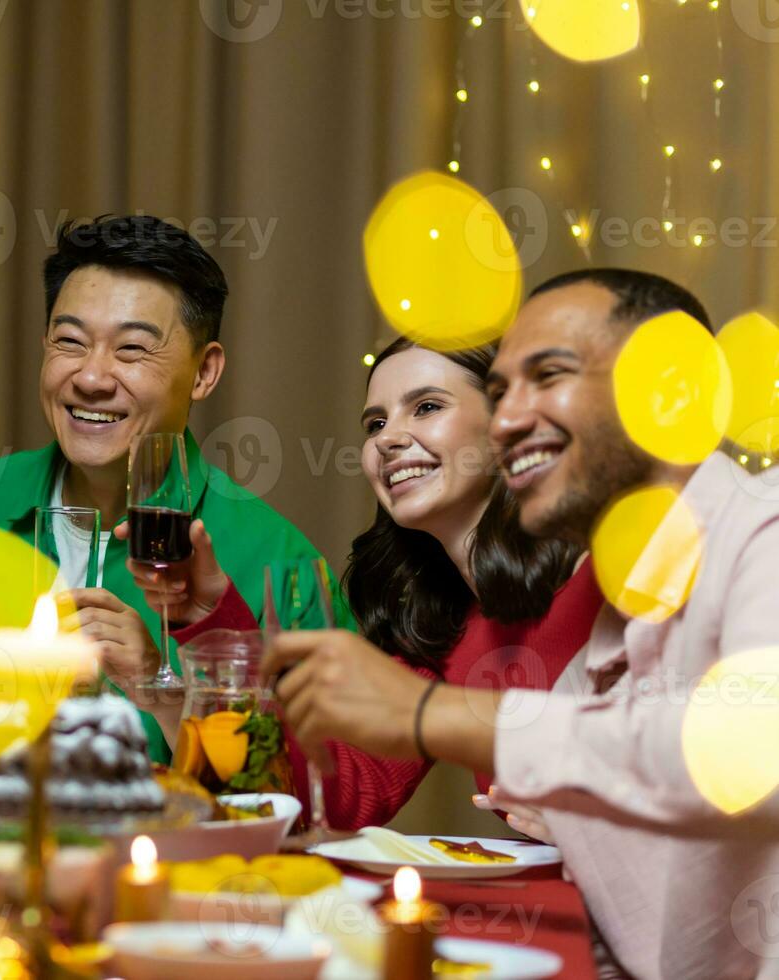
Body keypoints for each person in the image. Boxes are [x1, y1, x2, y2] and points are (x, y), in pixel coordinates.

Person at [265, 268, 779, 977]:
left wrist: (434, 714)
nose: (507, 419)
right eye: (502, 391)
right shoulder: (615, 628)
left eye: (550, 374)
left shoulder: (763, 529)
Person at [138, 336, 602, 828]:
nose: (387, 438)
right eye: (375, 423)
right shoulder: (438, 629)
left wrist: (592, 828)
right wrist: (209, 613)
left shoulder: (608, 577)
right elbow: (336, 800)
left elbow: (681, 767)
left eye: (426, 407)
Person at [0, 214, 351, 763]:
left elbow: (320, 790)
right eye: (70, 341)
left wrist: (158, 686)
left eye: (133, 349)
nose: (92, 378)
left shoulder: (279, 565)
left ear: (205, 373)